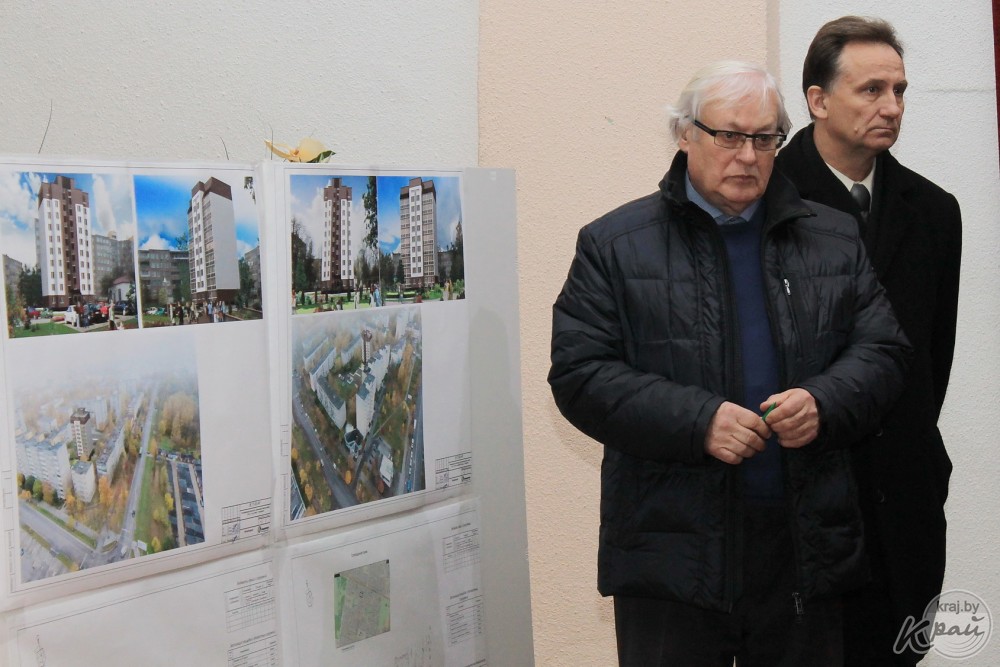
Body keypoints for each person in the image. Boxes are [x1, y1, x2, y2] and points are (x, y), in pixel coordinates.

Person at [548, 60, 912, 665]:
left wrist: (823, 403)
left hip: (804, 547)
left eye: (765, 139)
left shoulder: (834, 237)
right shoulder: (614, 244)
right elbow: (581, 374)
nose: (747, 156)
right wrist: (700, 422)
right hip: (672, 550)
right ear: (684, 134)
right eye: (728, 136)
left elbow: (885, 353)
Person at [774, 16, 962, 666]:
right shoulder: (766, 202)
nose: (892, 107)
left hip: (903, 506)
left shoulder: (933, 211)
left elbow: (930, 360)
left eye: (899, 90)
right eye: (871, 89)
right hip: (802, 506)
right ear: (818, 100)